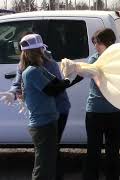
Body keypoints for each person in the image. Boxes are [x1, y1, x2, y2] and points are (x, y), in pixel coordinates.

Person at [0, 32, 71, 180]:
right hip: (44, 117)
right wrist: (12, 93)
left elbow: (55, 87)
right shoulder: (28, 68)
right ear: (38, 50)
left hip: (58, 109)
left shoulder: (48, 64)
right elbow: (19, 83)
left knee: (50, 153)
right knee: (47, 155)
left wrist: (66, 80)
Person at [17, 34, 76, 180]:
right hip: (42, 125)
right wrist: (68, 79)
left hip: (49, 122)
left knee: (49, 163)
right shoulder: (31, 72)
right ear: (36, 52)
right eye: (41, 50)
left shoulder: (38, 68)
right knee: (43, 166)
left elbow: (57, 83)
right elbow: (52, 90)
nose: (44, 52)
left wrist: (70, 78)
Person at [82, 28, 120, 180]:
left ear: (109, 43)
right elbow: (97, 78)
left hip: (113, 112)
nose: (95, 46)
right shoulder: (94, 60)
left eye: (98, 43)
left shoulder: (118, 61)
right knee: (94, 151)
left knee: (113, 151)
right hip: (95, 112)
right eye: (95, 43)